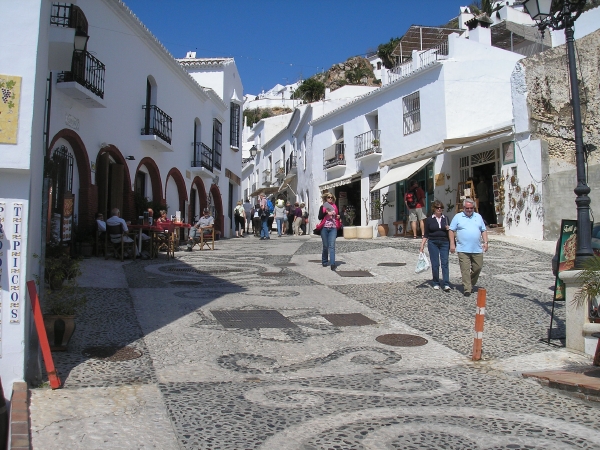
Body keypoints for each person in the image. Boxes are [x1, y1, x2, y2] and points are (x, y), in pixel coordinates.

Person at [449, 198, 489, 296]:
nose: (469, 210)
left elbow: (483, 230)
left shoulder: (478, 216)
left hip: (477, 248)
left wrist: (486, 242)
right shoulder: (458, 217)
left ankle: (469, 283)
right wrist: (452, 244)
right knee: (465, 269)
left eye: (471, 208)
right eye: (467, 208)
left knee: (478, 267)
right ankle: (467, 288)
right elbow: (451, 230)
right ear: (463, 208)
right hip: (463, 249)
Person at [420, 200, 451, 292]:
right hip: (433, 242)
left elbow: (451, 232)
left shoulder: (446, 218)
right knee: (435, 264)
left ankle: (446, 283)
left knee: (445, 263)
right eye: (437, 208)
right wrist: (422, 245)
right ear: (434, 209)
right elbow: (426, 234)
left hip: (444, 242)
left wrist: (449, 229)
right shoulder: (429, 220)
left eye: (441, 207)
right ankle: (436, 282)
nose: (439, 209)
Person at [317, 192, 341, 270]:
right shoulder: (323, 207)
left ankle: (332, 263)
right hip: (324, 228)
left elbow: (338, 216)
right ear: (326, 198)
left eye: (331, 197)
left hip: (333, 228)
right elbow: (320, 217)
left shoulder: (335, 207)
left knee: (332, 246)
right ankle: (324, 261)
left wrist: (338, 216)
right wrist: (326, 212)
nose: (330, 198)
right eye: (328, 197)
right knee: (325, 246)